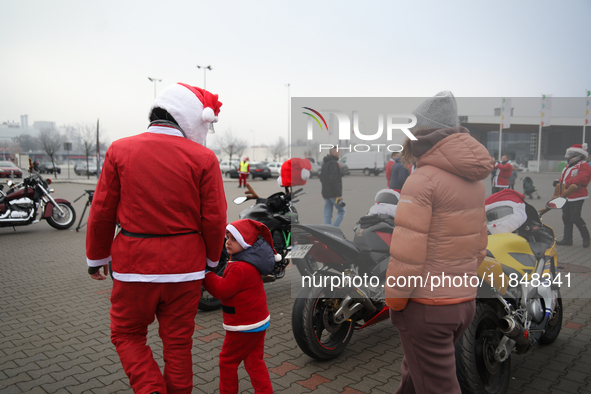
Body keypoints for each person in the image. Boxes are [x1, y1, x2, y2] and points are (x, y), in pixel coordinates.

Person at [86, 82, 226, 394]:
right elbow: (215, 218)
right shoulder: (204, 158)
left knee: (127, 334)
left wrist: (97, 259)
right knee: (178, 345)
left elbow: (102, 211)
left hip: (133, 265)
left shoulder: (120, 150)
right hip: (186, 268)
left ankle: (150, 389)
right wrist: (212, 261)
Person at [386, 91, 492, 394]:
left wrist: (395, 302)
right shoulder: (474, 180)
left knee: (438, 386)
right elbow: (480, 245)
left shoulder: (423, 179)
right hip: (462, 303)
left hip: (426, 307)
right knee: (414, 372)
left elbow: (407, 255)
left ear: (421, 133)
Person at [203, 219, 279, 394]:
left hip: (243, 326)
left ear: (246, 242)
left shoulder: (240, 268)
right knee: (254, 360)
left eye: (234, 239)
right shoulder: (249, 263)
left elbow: (222, 290)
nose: (228, 242)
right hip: (258, 322)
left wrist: (206, 274)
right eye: (227, 237)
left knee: (227, 361)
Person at [554, 143, 591, 247]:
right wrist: (558, 181)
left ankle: (586, 238)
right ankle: (567, 239)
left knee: (575, 217)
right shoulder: (568, 166)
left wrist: (566, 183)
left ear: (578, 155)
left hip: (578, 194)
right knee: (566, 217)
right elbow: (564, 178)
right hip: (566, 195)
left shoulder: (584, 165)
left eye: (571, 154)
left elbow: (583, 178)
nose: (569, 156)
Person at [320, 147, 345, 227]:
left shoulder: (325, 163)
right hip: (334, 194)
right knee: (342, 211)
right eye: (338, 152)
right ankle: (333, 230)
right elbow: (334, 179)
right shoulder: (334, 163)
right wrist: (339, 194)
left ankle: (326, 232)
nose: (339, 153)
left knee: (327, 215)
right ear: (333, 152)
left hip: (326, 194)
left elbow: (321, 178)